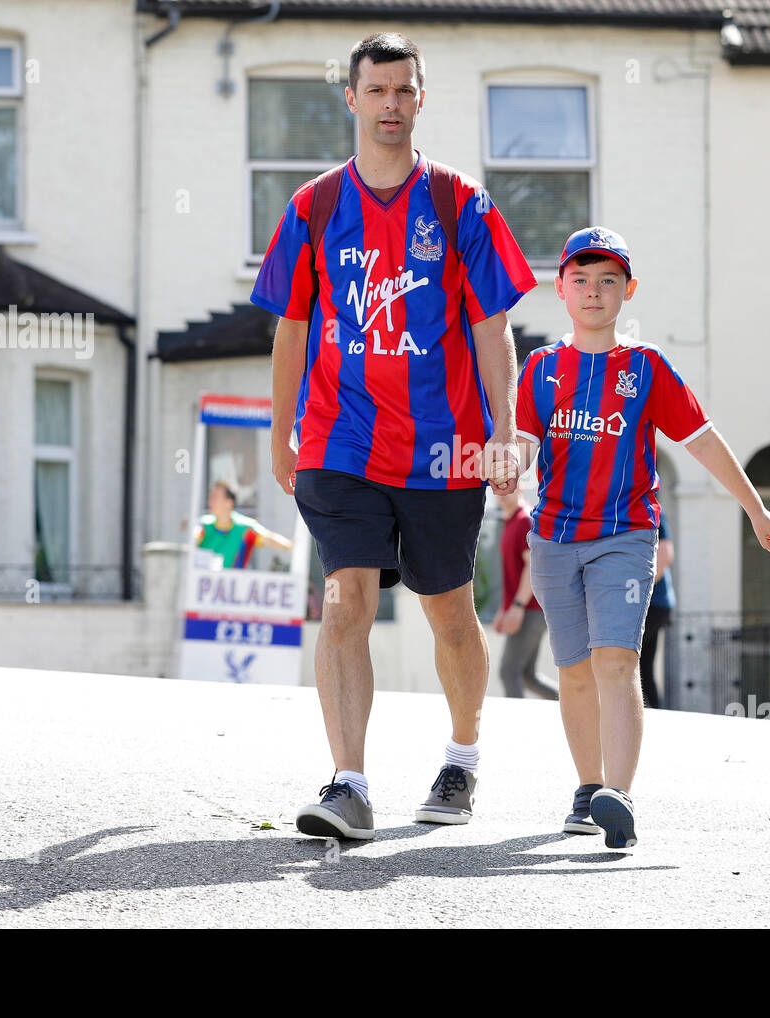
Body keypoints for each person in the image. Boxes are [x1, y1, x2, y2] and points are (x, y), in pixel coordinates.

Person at [250, 32, 536, 841]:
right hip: (340, 443)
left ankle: (462, 757)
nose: (389, 106)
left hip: (445, 449)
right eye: (375, 91)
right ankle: (348, 783)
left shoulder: (459, 203)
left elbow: (492, 329)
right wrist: (283, 434)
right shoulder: (313, 207)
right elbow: (292, 331)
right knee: (345, 599)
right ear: (350, 98)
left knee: (448, 611)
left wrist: (506, 433)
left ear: (421, 97)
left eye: (403, 91)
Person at [516, 226, 770, 848]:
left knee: (617, 659)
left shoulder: (645, 368)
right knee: (575, 670)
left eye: (608, 281)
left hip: (626, 535)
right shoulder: (539, 369)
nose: (593, 292)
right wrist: (495, 464)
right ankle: (588, 790)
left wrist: (756, 509)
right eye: (581, 280)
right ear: (560, 288)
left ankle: (620, 794)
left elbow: (704, 441)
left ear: (628, 291)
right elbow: (520, 451)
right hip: (554, 539)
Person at [493, 489, 559, 700]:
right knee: (527, 676)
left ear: (520, 488)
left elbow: (533, 566)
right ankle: (579, 707)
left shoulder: (525, 520)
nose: (501, 492)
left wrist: (518, 607)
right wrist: (504, 609)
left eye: (508, 486)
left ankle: (517, 727)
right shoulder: (511, 521)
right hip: (527, 610)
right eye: (497, 487)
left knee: (508, 671)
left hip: (531, 610)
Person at [194, 481, 292, 570]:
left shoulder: (245, 528)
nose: (210, 502)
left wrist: (290, 547)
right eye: (210, 497)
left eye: (215, 497)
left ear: (229, 502)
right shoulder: (203, 524)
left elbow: (269, 538)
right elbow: (192, 538)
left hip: (234, 585)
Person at [639, 509, 675, 709]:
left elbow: (666, 554)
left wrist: (643, 587)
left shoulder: (653, 511)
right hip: (655, 604)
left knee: (627, 661)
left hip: (652, 603)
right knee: (643, 667)